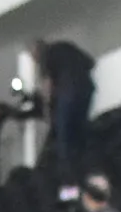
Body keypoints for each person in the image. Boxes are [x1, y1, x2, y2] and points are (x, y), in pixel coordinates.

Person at [30, 37, 97, 174]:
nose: (34, 60)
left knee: (64, 138)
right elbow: (91, 62)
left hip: (67, 94)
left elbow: (47, 85)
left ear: (37, 51)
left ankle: (69, 177)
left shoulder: (45, 56)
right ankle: (86, 167)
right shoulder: (66, 46)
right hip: (86, 90)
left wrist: (47, 110)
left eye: (33, 57)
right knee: (80, 130)